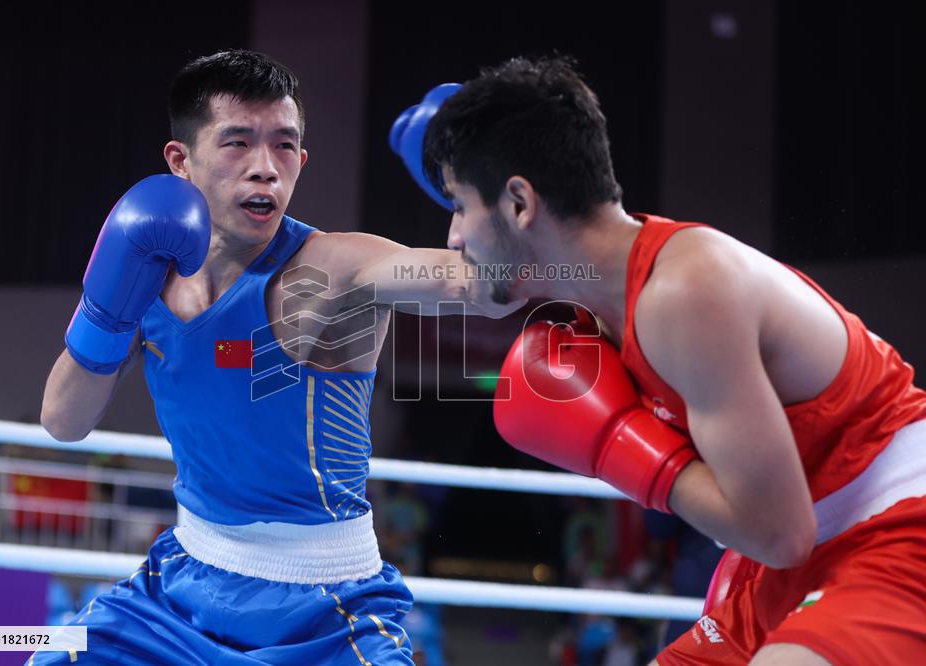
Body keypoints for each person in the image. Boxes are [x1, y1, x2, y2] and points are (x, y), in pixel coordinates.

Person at [392, 56, 926, 665]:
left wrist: (622, 446)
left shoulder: (685, 293)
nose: (454, 237)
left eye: (459, 206)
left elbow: (779, 532)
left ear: (519, 203)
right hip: (791, 556)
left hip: (897, 529)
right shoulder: (601, 307)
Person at [36, 49, 520, 665]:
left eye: (285, 146)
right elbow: (63, 421)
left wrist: (482, 201)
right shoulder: (147, 271)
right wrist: (104, 310)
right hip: (179, 586)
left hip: (323, 609)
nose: (265, 168)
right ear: (180, 161)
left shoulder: (335, 269)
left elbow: (479, 286)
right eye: (237, 142)